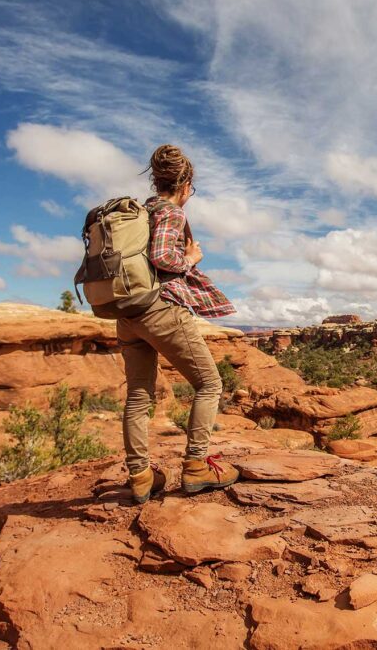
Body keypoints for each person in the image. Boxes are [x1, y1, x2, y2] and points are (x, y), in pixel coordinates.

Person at [119, 144, 240, 503]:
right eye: (192, 189)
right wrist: (190, 258)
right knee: (209, 383)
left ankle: (141, 476)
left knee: (139, 396)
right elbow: (161, 257)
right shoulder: (170, 212)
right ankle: (196, 466)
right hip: (160, 308)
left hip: (129, 314)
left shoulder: (141, 212)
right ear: (185, 184)